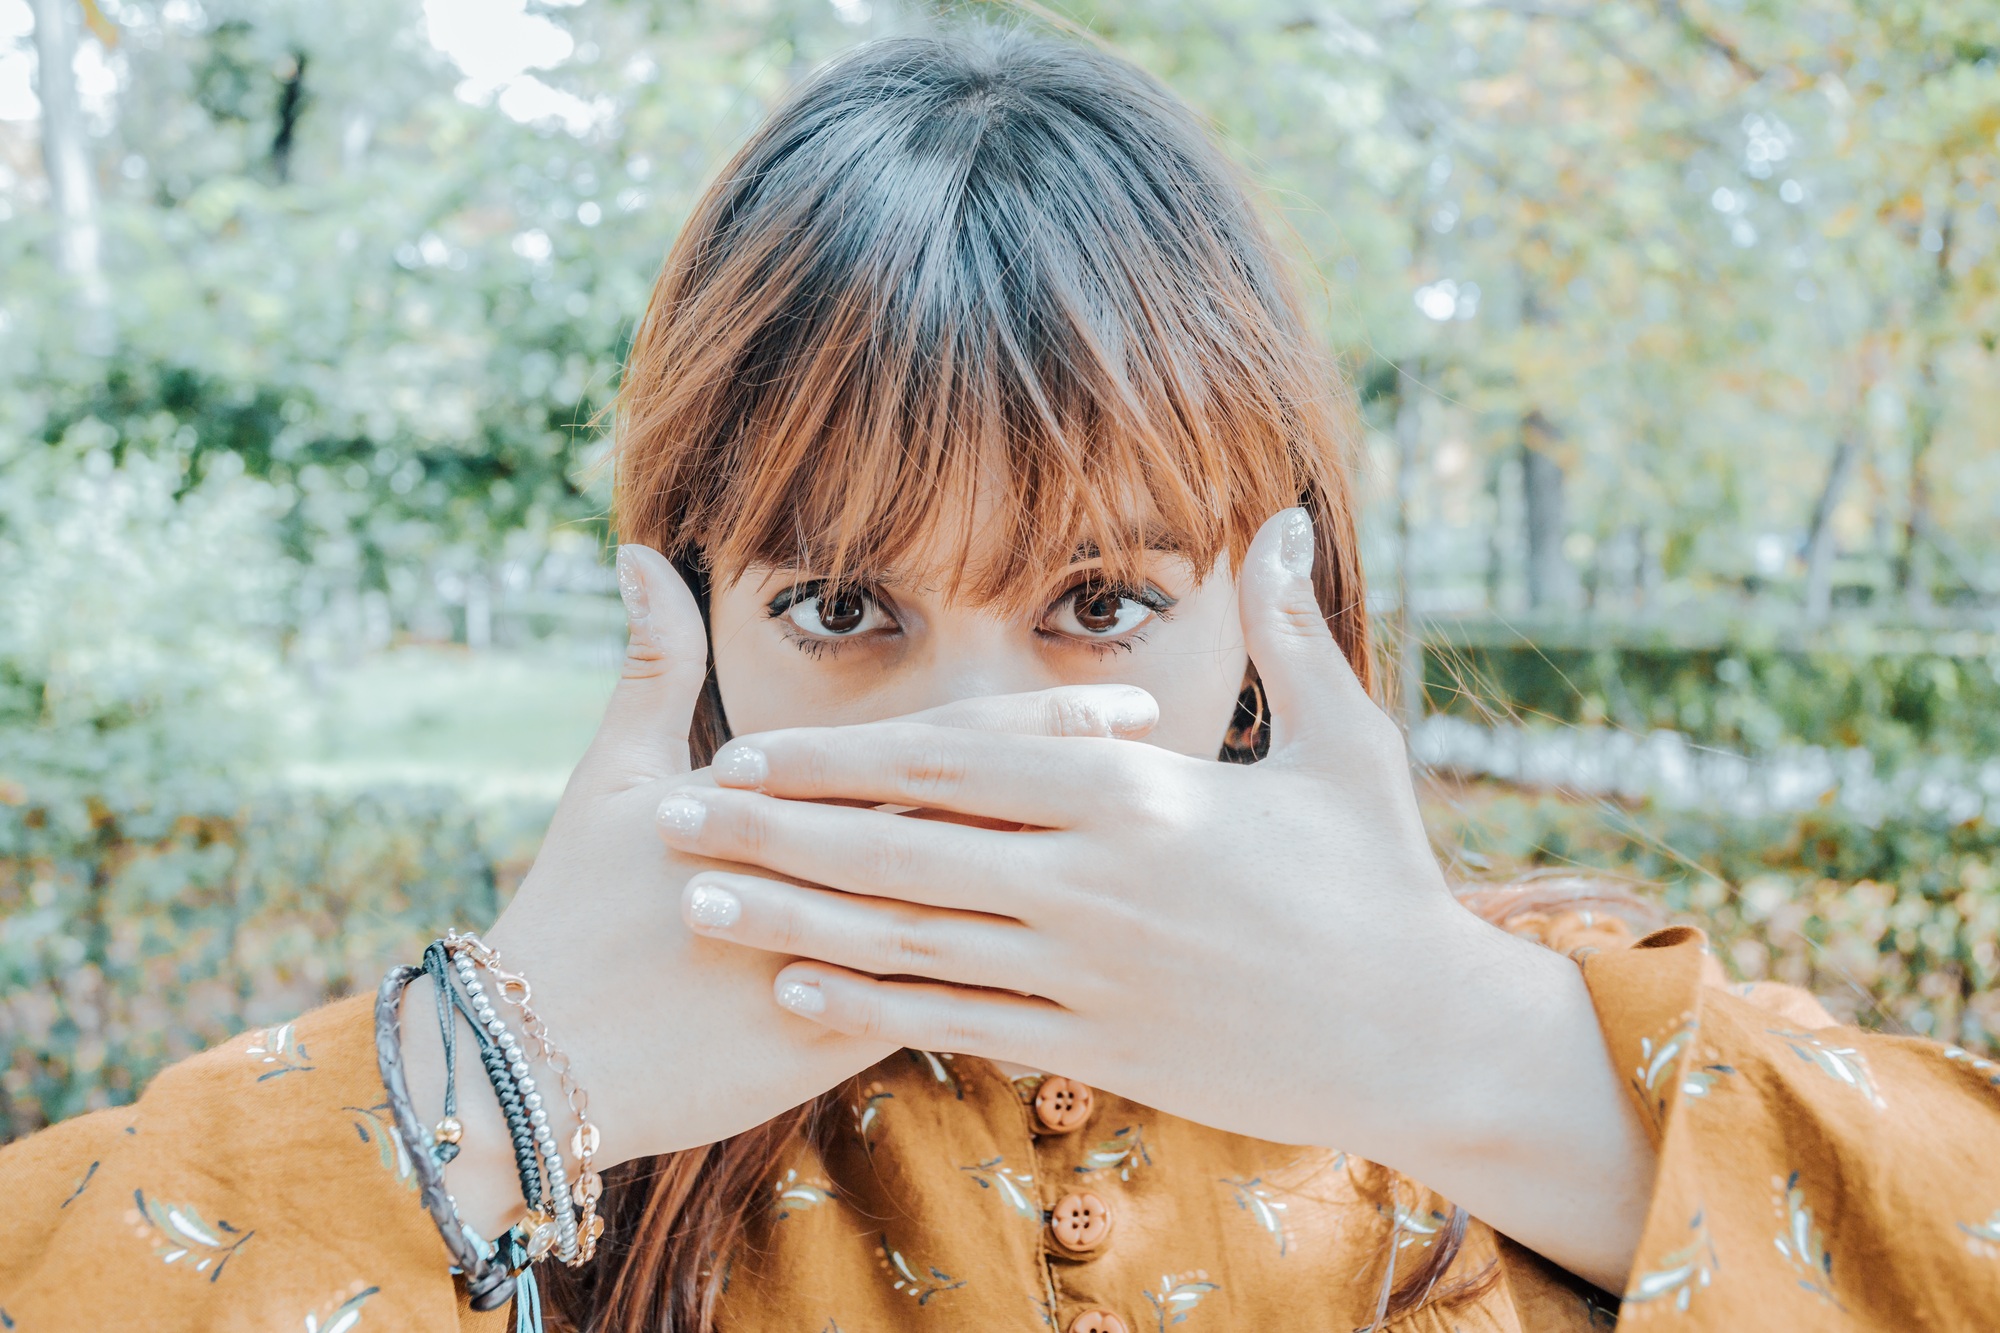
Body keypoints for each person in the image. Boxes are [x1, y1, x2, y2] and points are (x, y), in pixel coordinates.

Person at [3, 23, 1997, 1333]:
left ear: (1268, 602)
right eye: (848, 612)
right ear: (688, 629)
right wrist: (494, 1099)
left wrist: (1455, 1048)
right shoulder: (572, 1091)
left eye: (1098, 603)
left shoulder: (1539, 1026)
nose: (973, 740)